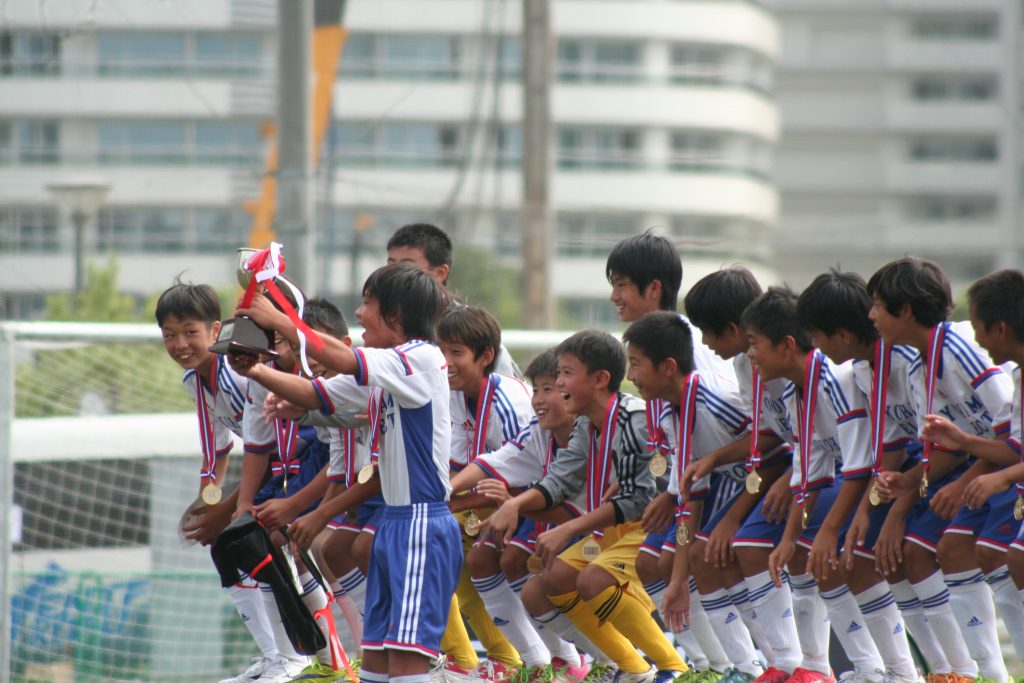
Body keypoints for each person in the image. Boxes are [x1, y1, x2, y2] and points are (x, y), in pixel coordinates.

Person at [231, 263, 462, 683]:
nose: (358, 313)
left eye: (368, 303)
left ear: (395, 316)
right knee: (374, 660)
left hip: (422, 524)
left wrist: (279, 317)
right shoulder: (385, 370)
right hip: (393, 522)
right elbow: (315, 394)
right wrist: (255, 369)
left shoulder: (421, 358)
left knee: (408, 663)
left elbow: (336, 357)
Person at [485, 330, 687, 683]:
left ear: (600, 380)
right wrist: (515, 504)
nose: (559, 382)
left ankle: (674, 669)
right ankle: (630, 669)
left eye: (565, 374)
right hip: (613, 528)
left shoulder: (633, 420)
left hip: (652, 526)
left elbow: (637, 500)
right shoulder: (584, 423)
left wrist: (568, 528)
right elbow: (559, 481)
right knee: (544, 584)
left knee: (592, 579)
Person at [870, 257, 1014, 683]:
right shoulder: (916, 363)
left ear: (906, 310)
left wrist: (966, 482)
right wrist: (910, 481)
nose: (872, 316)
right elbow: (950, 443)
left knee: (988, 554)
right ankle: (965, 673)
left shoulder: (962, 349)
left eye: (878, 304)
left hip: (1005, 465)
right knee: (939, 551)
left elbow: (1010, 435)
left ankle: (988, 674)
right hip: (981, 462)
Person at [605, 231, 738, 667]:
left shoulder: (695, 358)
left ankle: (736, 666)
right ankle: (704, 666)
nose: (614, 296)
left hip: (722, 486)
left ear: (654, 288)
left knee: (688, 559)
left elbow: (730, 438)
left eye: (622, 284)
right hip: (688, 488)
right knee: (650, 563)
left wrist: (684, 489)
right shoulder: (653, 352)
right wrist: (668, 490)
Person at [746, 287, 883, 683]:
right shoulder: (794, 390)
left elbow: (860, 465)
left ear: (787, 345)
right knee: (797, 552)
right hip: (854, 477)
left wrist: (824, 532)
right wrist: (790, 536)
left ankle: (886, 671)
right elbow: (810, 473)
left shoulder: (837, 378)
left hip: (881, 474)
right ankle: (817, 668)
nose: (750, 354)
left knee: (831, 555)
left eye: (754, 344)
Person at [622, 312, 763, 683]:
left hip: (769, 484)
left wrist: (733, 520)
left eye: (636, 364)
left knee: (709, 555)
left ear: (668, 367)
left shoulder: (716, 400)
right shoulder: (673, 411)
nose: (631, 376)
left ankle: (767, 667)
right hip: (737, 486)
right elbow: (690, 500)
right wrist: (677, 583)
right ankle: (722, 668)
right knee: (670, 562)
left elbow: (775, 448)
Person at [796, 271, 922, 683]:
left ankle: (945, 672)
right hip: (891, 474)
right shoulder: (858, 373)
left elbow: (915, 447)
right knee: (851, 557)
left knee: (907, 554)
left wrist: (846, 524)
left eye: (817, 336)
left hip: (934, 467)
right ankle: (885, 671)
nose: (815, 346)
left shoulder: (907, 360)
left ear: (844, 336)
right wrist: (866, 511)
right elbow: (881, 453)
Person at [155, 280, 281, 683]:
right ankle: (273, 655)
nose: (180, 344)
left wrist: (229, 508)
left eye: (190, 332)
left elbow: (270, 445)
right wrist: (206, 504)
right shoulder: (198, 380)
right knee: (228, 549)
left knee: (269, 550)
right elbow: (217, 449)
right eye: (170, 335)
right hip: (271, 469)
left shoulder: (235, 373)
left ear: (215, 331)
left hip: (294, 465)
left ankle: (299, 656)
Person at [450, 349, 593, 682]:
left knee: (546, 575)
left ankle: (608, 663)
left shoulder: (586, 433)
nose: (538, 399)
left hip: (591, 525)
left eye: (549, 389)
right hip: (547, 516)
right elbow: (493, 463)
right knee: (483, 556)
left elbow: (575, 502)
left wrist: (512, 502)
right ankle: (541, 661)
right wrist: (447, 494)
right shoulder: (538, 429)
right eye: (537, 389)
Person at [683, 268, 797, 683]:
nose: (707, 344)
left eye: (708, 334)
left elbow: (798, 443)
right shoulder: (748, 365)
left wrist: (734, 516)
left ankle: (799, 666)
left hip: (806, 472)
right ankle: (756, 667)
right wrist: (713, 460)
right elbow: (765, 435)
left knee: (746, 544)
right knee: (707, 552)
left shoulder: (784, 364)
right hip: (793, 469)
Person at [438, 304, 535, 681]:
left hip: (532, 504)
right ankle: (477, 660)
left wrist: (449, 504)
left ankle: (502, 657)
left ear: (486, 356)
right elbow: (463, 468)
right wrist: (446, 503)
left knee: (442, 538)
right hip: (489, 498)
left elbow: (525, 477)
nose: (446, 362)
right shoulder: (457, 393)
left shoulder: (509, 400)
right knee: (438, 538)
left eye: (456, 352)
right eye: (442, 351)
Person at [387, 222, 522, 380]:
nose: (393, 275)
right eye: (390, 265)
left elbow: (505, 393)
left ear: (440, 273)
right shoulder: (386, 323)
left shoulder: (469, 328)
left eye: (406, 266)